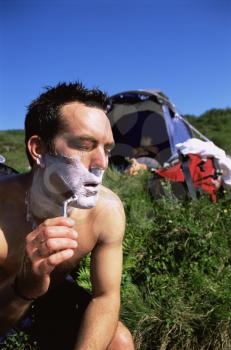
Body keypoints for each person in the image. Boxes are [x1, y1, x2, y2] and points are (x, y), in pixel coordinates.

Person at [0, 82, 135, 350]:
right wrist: (25, 288)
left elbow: (106, 297)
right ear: (39, 149)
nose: (102, 163)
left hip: (52, 299)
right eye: (85, 145)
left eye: (106, 149)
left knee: (120, 341)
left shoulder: (106, 211)